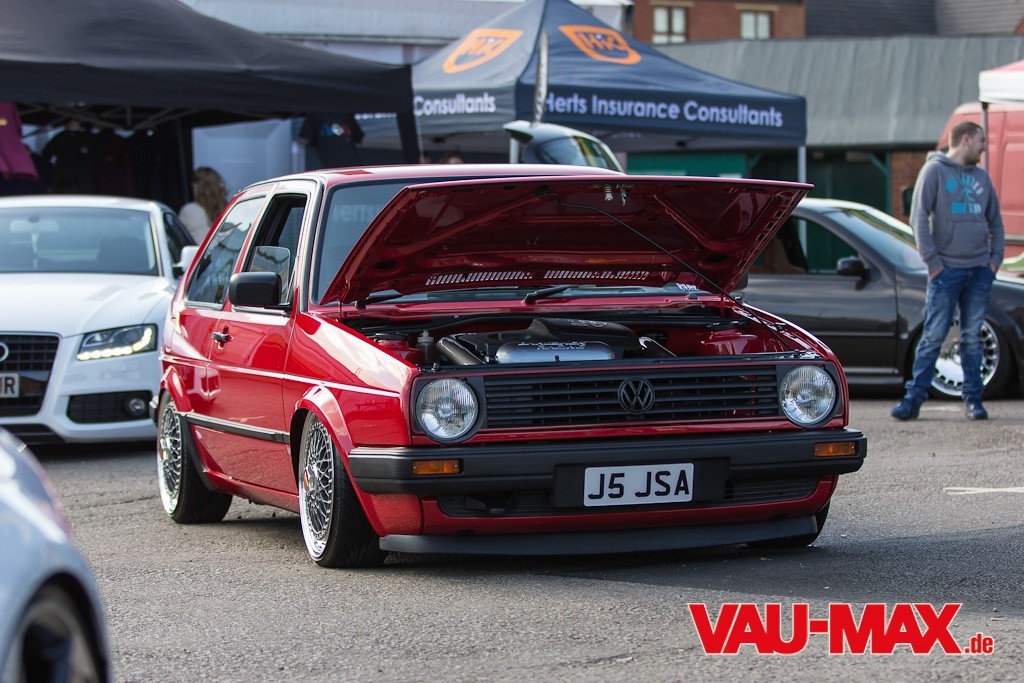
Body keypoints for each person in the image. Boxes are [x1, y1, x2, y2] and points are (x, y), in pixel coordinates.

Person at [891, 121, 1004, 421]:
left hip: (979, 271)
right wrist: (934, 264)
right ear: (965, 140)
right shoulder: (934, 171)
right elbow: (918, 218)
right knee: (933, 336)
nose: (983, 147)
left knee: (972, 337)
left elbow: (995, 221)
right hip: (946, 272)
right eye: (981, 141)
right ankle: (913, 400)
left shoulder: (981, 177)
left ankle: (973, 401)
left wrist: (994, 262)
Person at [179, 167, 228, 243]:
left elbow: (178, 240)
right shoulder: (229, 209)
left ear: (199, 186)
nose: (191, 185)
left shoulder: (189, 210)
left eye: (194, 182)